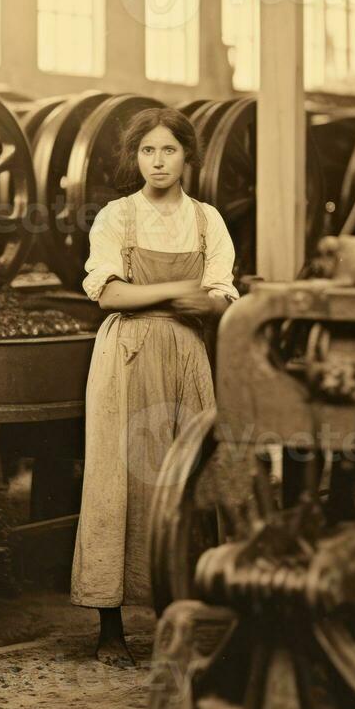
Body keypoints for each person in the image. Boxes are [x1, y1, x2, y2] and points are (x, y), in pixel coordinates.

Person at [70, 107, 238, 667]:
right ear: (134, 157)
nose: (158, 162)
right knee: (117, 477)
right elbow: (109, 296)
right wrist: (185, 289)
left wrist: (195, 295)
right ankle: (110, 628)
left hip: (188, 358)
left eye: (168, 150)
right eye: (147, 151)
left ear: (188, 157)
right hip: (127, 353)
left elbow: (219, 300)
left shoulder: (208, 220)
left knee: (186, 483)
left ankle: (179, 617)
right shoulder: (117, 217)